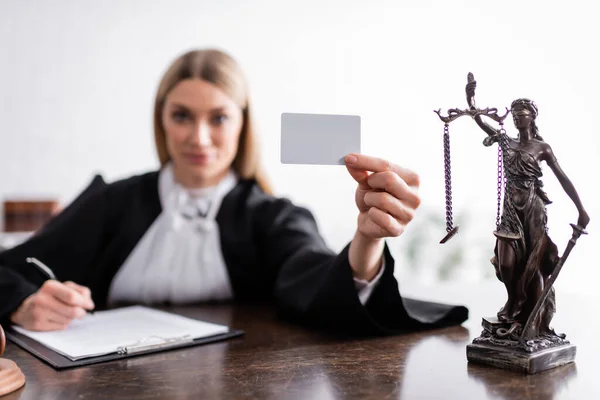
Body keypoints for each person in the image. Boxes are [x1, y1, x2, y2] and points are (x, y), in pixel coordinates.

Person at [0, 49, 467, 334]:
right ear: (161, 119)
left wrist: (367, 239)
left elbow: (317, 282)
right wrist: (22, 302)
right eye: (182, 115)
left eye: (218, 118)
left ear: (243, 124)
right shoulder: (111, 203)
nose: (198, 138)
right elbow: (10, 269)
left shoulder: (271, 217)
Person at [467, 84, 590, 337]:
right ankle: (514, 304)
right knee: (507, 264)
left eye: (521, 113)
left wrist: (581, 209)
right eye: (513, 114)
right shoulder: (506, 141)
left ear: (532, 116)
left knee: (533, 264)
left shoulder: (542, 148)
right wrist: (471, 100)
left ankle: (531, 319)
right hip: (510, 208)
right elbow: (480, 122)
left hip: (533, 208)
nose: (516, 117)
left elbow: (563, 178)